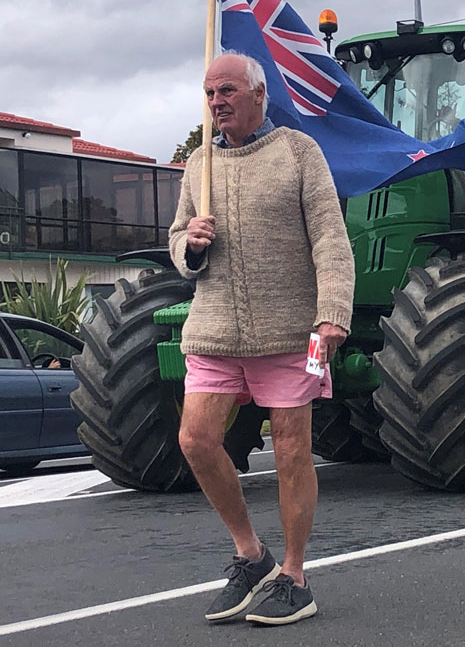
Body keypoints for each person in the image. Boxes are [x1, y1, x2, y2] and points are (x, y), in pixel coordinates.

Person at [168, 52, 354, 626]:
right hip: (214, 329)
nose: (216, 101)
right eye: (209, 93)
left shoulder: (299, 152)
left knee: (292, 447)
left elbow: (329, 236)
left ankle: (295, 577)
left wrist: (333, 312)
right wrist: (190, 245)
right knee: (196, 440)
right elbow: (178, 242)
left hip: (292, 331)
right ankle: (251, 556)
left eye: (226, 90)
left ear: (257, 94)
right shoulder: (197, 165)